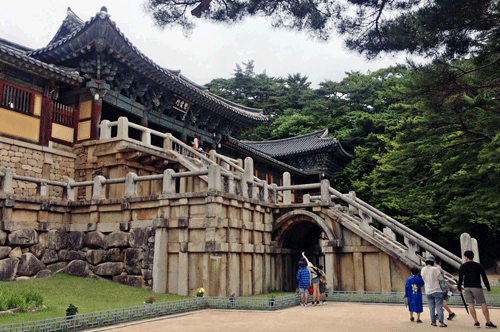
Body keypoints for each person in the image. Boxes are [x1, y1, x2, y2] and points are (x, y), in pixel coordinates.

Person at [457, 250, 497, 328]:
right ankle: (488, 322)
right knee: (483, 303)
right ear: (473, 256)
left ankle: (476, 322)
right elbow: (484, 277)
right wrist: (488, 288)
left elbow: (460, 279)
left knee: (470, 304)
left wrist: (459, 289)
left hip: (467, 287)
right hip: (476, 286)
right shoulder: (478, 265)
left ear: (466, 257)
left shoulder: (462, 266)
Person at [421, 255, 447, 327]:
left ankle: (433, 322)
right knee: (439, 307)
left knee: (431, 307)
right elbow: (441, 279)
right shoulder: (435, 269)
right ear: (433, 262)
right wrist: (445, 288)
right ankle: (441, 322)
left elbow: (423, 278)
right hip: (437, 290)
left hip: (428, 291)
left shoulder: (423, 269)